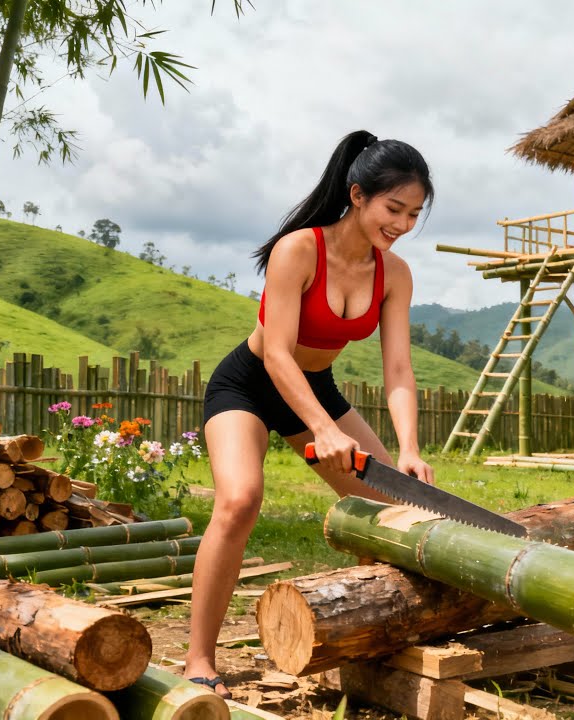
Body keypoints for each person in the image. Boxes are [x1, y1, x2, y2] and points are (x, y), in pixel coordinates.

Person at [183, 130, 436, 698]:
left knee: (398, 502)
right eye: (393, 208)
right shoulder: (298, 249)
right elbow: (276, 353)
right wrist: (321, 429)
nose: (401, 224)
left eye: (414, 214)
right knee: (240, 499)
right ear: (358, 195)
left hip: (315, 387)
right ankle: (199, 656)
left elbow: (398, 370)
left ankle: (385, 633)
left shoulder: (395, 274)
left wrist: (412, 449)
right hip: (248, 385)